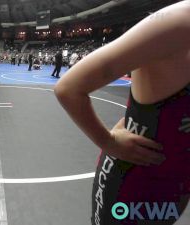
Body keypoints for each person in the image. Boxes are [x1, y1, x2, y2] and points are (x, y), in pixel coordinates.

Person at [54, 2, 189, 225]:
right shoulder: (178, 23)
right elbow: (68, 88)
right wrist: (109, 142)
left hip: (176, 188)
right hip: (135, 186)